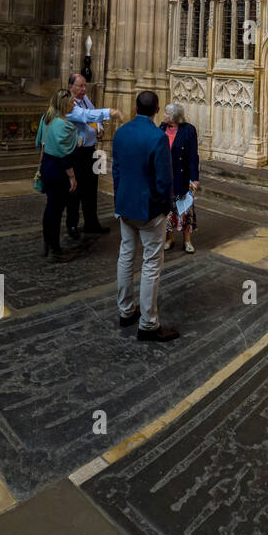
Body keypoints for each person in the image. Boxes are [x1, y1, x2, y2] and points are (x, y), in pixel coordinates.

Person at [112, 90, 178, 342]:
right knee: (151, 264)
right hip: (149, 209)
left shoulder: (121, 132)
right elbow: (164, 180)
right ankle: (148, 323)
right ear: (156, 110)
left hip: (125, 204)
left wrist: (120, 198)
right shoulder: (157, 137)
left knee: (126, 257)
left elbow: (116, 169)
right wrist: (165, 208)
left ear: (135, 107)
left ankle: (126, 310)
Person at [64, 72, 119, 238]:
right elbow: (85, 116)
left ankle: (91, 223)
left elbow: (94, 114)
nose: (83, 89)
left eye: (84, 85)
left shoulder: (85, 99)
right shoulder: (69, 104)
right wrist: (110, 111)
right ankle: (72, 224)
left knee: (91, 187)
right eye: (80, 86)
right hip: (76, 152)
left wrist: (100, 130)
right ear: (70, 86)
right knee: (74, 189)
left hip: (90, 150)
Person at [35, 89, 85, 263]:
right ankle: (55, 250)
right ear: (64, 104)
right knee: (56, 211)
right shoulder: (64, 125)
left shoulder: (47, 118)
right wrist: (72, 177)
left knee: (50, 208)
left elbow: (39, 143)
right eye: (72, 102)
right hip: (59, 172)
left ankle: (48, 243)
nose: (74, 104)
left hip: (48, 167)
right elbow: (64, 154)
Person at [161, 102, 201, 254]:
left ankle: (187, 240)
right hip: (166, 176)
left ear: (173, 116)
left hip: (182, 176)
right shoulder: (162, 128)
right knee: (168, 210)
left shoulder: (188, 130)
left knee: (186, 210)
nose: (163, 115)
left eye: (166, 113)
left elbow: (193, 156)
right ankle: (169, 238)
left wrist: (194, 178)